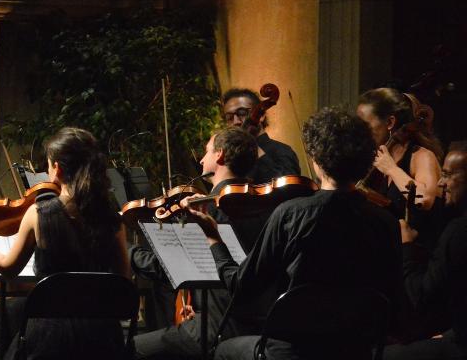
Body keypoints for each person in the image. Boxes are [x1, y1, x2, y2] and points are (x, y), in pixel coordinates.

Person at [186, 107, 401, 360]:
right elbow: (391, 298)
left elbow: (241, 286)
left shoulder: (291, 215)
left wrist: (213, 238)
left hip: (294, 351)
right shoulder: (385, 221)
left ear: (316, 160)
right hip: (357, 350)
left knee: (221, 351)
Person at [0, 127, 132, 359]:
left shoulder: (38, 214)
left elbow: (8, 268)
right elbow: (123, 282)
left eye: (49, 164)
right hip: (103, 339)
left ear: (57, 168)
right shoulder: (113, 219)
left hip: (49, 339)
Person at [133, 127, 272, 360]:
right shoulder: (266, 208)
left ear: (219, 156)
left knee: (131, 347)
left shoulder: (209, 211)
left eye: (206, 152)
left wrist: (131, 254)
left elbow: (165, 269)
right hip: (259, 327)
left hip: (217, 327)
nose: (200, 159)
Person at [384, 141, 467, 360]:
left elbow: (420, 296)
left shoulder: (459, 231)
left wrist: (407, 246)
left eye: (448, 175)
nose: (441, 182)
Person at [356, 87, 442, 215]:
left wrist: (391, 169)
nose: (359, 132)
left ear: (390, 122)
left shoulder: (422, 157)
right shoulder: (375, 159)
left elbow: (424, 199)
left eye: (365, 125)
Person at [222, 88, 301, 183]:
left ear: (262, 115)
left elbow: (290, 190)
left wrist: (252, 144)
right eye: (229, 118)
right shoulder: (233, 160)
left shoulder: (282, 150)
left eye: (242, 113)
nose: (235, 122)